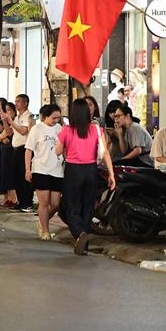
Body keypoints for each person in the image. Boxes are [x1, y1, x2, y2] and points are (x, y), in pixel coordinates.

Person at [56, 99, 115, 255]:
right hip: (91, 171)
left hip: (73, 171)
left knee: (71, 206)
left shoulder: (67, 130)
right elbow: (105, 153)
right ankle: (84, 243)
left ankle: (79, 234)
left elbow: (57, 151)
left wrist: (60, 139)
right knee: (88, 206)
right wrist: (112, 174)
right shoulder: (96, 129)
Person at [25, 104, 64, 241]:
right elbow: (28, 150)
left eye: (58, 118)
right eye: (53, 118)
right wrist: (28, 169)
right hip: (41, 169)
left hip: (57, 169)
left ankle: (42, 221)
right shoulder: (37, 129)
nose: (56, 121)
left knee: (55, 203)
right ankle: (45, 231)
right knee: (44, 202)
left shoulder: (60, 129)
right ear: (45, 116)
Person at [11, 94, 35, 212]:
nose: (16, 104)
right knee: (17, 177)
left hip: (24, 149)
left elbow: (23, 131)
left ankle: (28, 202)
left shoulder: (28, 116)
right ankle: (21, 201)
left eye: (19, 101)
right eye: (15, 101)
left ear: (25, 103)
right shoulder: (17, 116)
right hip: (16, 149)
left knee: (24, 176)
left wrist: (10, 121)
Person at [0, 102, 18, 209]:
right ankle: (9, 199)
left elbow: (7, 133)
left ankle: (13, 199)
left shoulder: (15, 122)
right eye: (5, 111)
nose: (7, 113)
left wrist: (5, 121)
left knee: (10, 175)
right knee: (5, 175)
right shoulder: (8, 123)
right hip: (4, 152)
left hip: (11, 152)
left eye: (9, 110)